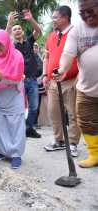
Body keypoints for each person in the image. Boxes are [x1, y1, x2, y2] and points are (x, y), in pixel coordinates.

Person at [55, 0, 98, 168]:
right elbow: (68, 54)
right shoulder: (77, 30)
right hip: (86, 88)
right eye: (82, 12)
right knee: (85, 121)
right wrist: (63, 69)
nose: (87, 15)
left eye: (90, 10)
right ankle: (95, 154)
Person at [42, 6, 81, 157]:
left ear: (65, 17)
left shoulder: (76, 34)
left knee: (72, 113)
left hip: (71, 80)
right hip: (53, 81)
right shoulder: (52, 36)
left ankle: (72, 143)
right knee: (53, 111)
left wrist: (79, 78)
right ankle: (59, 140)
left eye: (55, 17)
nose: (53, 20)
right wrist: (45, 75)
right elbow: (46, 57)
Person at [0, 29, 26, 169]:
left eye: (0, 45)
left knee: (16, 124)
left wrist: (2, 77)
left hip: (14, 95)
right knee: (0, 124)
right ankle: (3, 151)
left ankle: (16, 154)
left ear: (6, 43)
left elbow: (17, 79)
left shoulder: (17, 56)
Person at [6, 9, 42, 138]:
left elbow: (38, 31)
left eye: (19, 28)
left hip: (32, 80)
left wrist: (31, 19)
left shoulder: (30, 42)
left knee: (34, 106)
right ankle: (19, 129)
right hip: (18, 81)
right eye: (14, 29)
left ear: (22, 31)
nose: (17, 30)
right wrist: (10, 22)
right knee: (18, 107)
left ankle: (29, 128)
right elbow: (4, 38)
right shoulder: (10, 46)